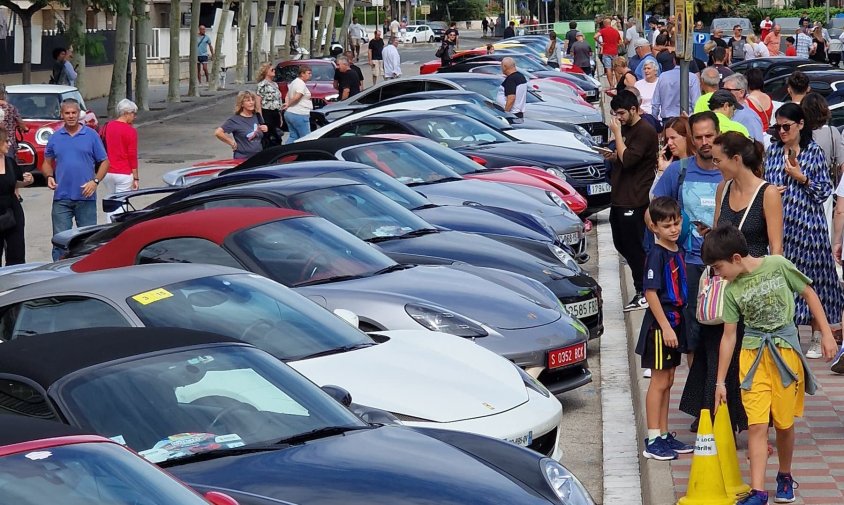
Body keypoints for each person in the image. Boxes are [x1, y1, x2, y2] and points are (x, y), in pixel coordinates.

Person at [705, 225, 837, 505]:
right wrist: (719, 383)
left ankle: (785, 476)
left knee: (784, 424)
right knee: (756, 424)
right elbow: (729, 337)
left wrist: (826, 333)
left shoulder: (778, 265)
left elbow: (809, 294)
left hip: (785, 354)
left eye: (718, 267)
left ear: (736, 258)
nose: (718, 274)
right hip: (753, 359)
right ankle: (758, 492)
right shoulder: (731, 290)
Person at [765, 102, 844, 358]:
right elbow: (765, 183)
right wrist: (770, 191)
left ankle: (817, 333)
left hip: (808, 227)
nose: (782, 132)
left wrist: (802, 179)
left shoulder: (813, 152)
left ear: (800, 125)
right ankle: (791, 335)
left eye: (786, 126)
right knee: (784, 281)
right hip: (781, 227)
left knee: (812, 279)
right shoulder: (774, 151)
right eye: (778, 127)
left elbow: (824, 192)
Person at [636, 196, 695, 460]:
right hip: (661, 328)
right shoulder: (656, 255)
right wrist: (666, 328)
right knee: (659, 381)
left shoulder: (678, 250)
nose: (673, 229)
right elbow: (650, 293)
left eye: (676, 223)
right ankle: (652, 439)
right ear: (654, 227)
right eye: (667, 225)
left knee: (669, 380)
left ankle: (663, 433)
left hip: (676, 323)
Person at [604, 90, 658, 311]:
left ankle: (644, 290)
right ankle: (641, 286)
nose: (618, 119)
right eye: (615, 114)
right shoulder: (625, 129)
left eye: (621, 114)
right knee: (621, 243)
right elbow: (622, 157)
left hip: (635, 198)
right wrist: (612, 155)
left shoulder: (645, 131)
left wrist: (616, 135)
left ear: (634, 110)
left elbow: (628, 159)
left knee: (635, 247)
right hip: (619, 196)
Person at [42, 98, 109, 261]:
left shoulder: (91, 135)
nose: (71, 116)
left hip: (86, 197)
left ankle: (85, 270)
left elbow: (105, 162)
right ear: (61, 115)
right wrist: (49, 176)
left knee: (88, 240)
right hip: (61, 198)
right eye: (67, 113)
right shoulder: (56, 137)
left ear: (79, 114)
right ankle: (58, 270)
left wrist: (95, 181)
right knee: (60, 241)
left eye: (74, 113)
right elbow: (46, 162)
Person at [802, 92, 844, 242]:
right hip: (825, 187)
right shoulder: (833, 133)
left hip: (801, 185)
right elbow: (842, 165)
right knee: (823, 230)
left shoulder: (800, 134)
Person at [100, 99, 139, 221]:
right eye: (133, 113)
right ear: (126, 113)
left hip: (107, 171)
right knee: (120, 203)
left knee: (111, 200)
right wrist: (136, 177)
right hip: (123, 172)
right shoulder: (131, 131)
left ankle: (108, 224)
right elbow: (132, 155)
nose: (134, 116)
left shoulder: (106, 127)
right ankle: (115, 228)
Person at [0, 129, 32, 265]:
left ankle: (15, 283)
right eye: (6, 141)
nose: (9, 144)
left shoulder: (9, 162)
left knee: (16, 253)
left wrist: (27, 181)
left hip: (12, 211)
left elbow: (14, 182)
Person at [215, 91, 267, 158]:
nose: (251, 102)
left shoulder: (257, 116)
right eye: (248, 100)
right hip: (243, 158)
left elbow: (262, 130)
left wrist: (265, 128)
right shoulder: (235, 120)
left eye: (253, 100)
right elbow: (218, 132)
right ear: (242, 104)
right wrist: (231, 143)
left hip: (259, 157)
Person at [652, 54, 700, 123]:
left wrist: (655, 120)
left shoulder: (663, 76)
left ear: (674, 60)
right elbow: (696, 103)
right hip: (686, 119)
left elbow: (655, 103)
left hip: (667, 120)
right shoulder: (693, 78)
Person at [722, 74, 764, 143]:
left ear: (741, 92)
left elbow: (758, 146)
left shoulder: (749, 117)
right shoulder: (729, 112)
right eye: (723, 90)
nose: (723, 93)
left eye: (728, 90)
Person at [281, 65, 313, 144]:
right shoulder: (300, 84)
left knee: (293, 136)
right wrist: (288, 104)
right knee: (306, 138)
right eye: (308, 73)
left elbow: (287, 95)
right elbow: (297, 97)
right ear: (302, 74)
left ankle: (285, 152)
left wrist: (287, 104)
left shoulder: (294, 82)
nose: (310, 75)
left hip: (290, 113)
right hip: (300, 113)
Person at [255, 63, 283, 148]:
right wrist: (260, 119)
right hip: (267, 113)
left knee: (277, 135)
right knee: (269, 137)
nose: (274, 71)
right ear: (266, 72)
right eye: (272, 70)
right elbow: (258, 102)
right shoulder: (262, 85)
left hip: (276, 113)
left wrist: (280, 116)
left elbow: (278, 100)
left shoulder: (275, 84)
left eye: (274, 69)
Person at [598, 18, 621, 86]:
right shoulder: (616, 31)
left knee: (608, 68)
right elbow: (620, 42)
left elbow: (595, 36)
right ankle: (618, 84)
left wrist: (600, 43)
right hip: (615, 52)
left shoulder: (603, 31)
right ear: (610, 23)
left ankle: (611, 85)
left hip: (606, 52)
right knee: (616, 68)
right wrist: (615, 44)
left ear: (604, 24)